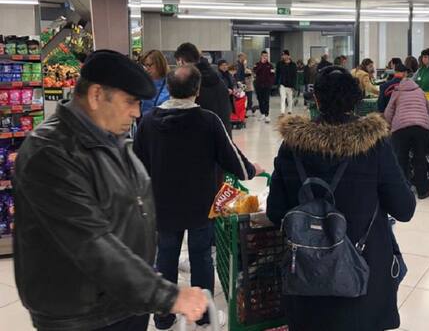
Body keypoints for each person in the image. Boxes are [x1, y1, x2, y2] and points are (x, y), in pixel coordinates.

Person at [13, 50, 208, 331]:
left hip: (125, 301)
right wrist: (166, 295)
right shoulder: (50, 153)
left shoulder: (112, 137)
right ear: (96, 95)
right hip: (83, 316)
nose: (137, 112)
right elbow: (89, 243)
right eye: (130, 101)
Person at [267, 66, 416, 331]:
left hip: (307, 279)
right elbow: (404, 209)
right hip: (364, 279)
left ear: (317, 99)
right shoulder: (375, 144)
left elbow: (276, 211)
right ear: (356, 100)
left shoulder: (292, 146)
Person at [134, 65, 260, 330]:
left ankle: (163, 317)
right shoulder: (208, 121)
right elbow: (234, 161)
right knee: (201, 256)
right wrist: (251, 170)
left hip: (162, 207)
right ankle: (202, 316)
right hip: (200, 206)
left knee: (165, 256)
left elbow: (136, 168)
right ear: (197, 90)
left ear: (169, 88)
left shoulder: (148, 122)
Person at [384, 67, 429, 199]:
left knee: (401, 158)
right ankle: (423, 191)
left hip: (401, 129)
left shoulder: (397, 92)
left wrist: (390, 127)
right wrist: (425, 124)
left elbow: (388, 113)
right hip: (421, 128)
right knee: (420, 158)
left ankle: (403, 190)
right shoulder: (420, 91)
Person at [174, 43, 233, 137]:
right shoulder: (217, 78)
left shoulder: (190, 82)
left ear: (181, 61)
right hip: (222, 135)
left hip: (200, 137)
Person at [140, 49, 171, 115]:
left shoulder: (171, 83)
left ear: (159, 64)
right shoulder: (143, 83)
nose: (146, 69)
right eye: (144, 66)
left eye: (149, 65)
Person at [253, 50, 275, 123]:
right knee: (260, 100)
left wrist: (270, 83)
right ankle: (262, 114)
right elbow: (255, 72)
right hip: (258, 85)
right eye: (263, 56)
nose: (265, 57)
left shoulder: (270, 65)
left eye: (266, 56)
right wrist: (261, 64)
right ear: (261, 56)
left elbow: (272, 75)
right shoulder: (257, 64)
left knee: (266, 100)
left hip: (267, 86)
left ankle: (266, 115)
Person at [276, 49, 298, 116]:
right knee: (283, 98)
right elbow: (277, 74)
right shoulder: (279, 64)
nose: (283, 56)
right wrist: (277, 84)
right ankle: (282, 112)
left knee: (290, 99)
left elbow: (295, 76)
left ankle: (289, 111)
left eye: (285, 55)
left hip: (290, 85)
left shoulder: (293, 65)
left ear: (289, 56)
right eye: (283, 55)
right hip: (282, 84)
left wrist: (294, 86)